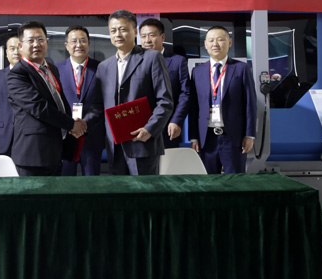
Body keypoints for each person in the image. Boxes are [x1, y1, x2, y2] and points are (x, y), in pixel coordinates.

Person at [96, 9, 174, 175]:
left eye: (123, 29)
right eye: (113, 30)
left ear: (135, 31)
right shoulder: (104, 67)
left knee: (144, 190)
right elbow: (98, 105)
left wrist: (150, 129)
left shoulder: (152, 58)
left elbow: (165, 101)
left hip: (143, 141)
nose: (118, 34)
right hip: (114, 146)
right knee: (119, 190)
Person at [7, 21, 87, 176]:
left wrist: (72, 123)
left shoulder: (51, 68)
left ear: (47, 42)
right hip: (33, 154)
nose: (36, 44)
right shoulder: (17, 74)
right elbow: (39, 107)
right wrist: (71, 124)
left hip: (55, 149)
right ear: (20, 46)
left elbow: (58, 101)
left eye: (40, 39)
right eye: (30, 40)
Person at [188, 26, 257, 174]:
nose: (215, 44)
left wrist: (249, 135)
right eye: (211, 40)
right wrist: (193, 137)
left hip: (233, 137)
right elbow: (193, 107)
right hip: (206, 138)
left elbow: (250, 104)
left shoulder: (241, 68)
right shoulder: (197, 72)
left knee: (235, 181)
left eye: (220, 40)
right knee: (208, 181)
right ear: (205, 44)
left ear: (229, 43)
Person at [57, 25, 105, 176]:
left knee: (92, 181)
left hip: (92, 134)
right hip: (66, 134)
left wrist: (84, 124)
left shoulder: (101, 68)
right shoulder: (56, 70)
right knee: (66, 181)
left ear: (89, 44)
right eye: (74, 41)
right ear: (66, 45)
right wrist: (70, 125)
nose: (79, 45)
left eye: (83, 41)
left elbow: (102, 102)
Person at [139, 18, 190, 149]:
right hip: (141, 127)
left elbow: (185, 94)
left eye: (152, 35)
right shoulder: (135, 62)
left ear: (162, 37)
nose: (147, 40)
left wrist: (177, 120)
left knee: (167, 161)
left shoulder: (178, 61)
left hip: (168, 126)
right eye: (143, 36)